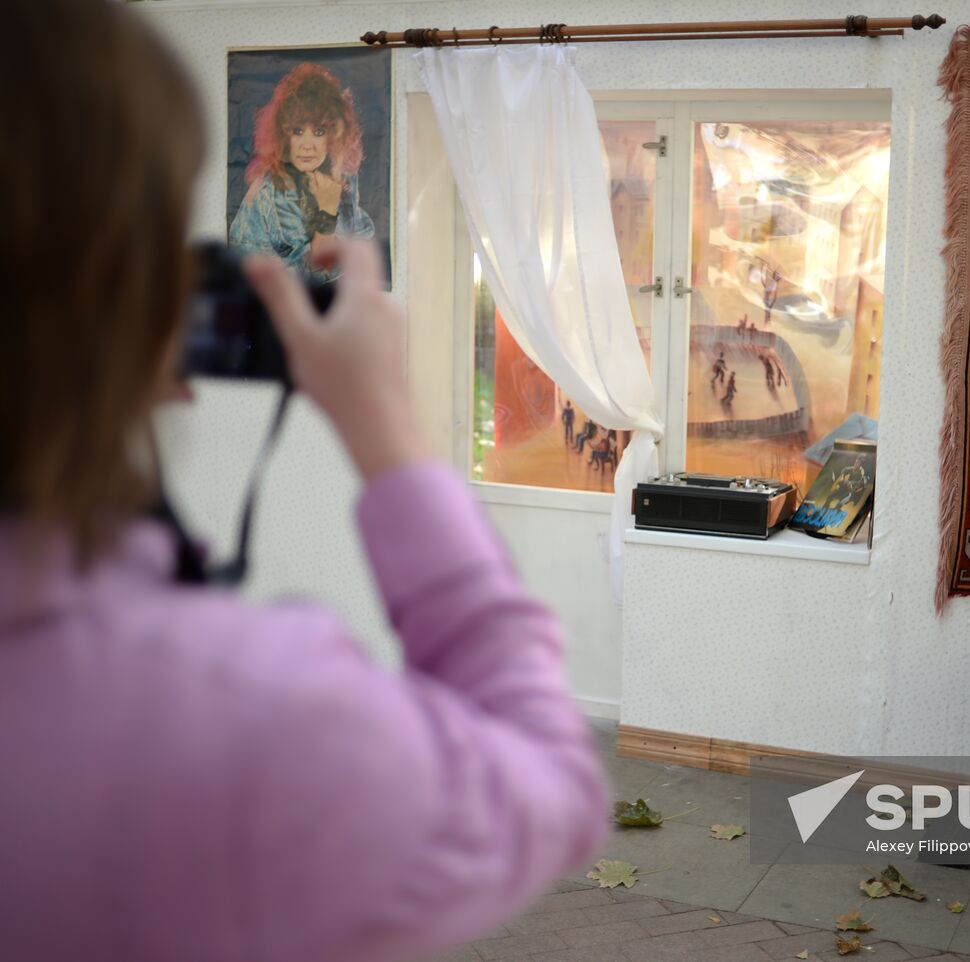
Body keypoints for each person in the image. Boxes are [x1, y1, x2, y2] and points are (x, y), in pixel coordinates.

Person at [0, 4, 608, 961]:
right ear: (133, 308)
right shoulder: (249, 719)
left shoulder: (345, 202)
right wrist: (391, 435)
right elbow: (549, 789)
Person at [229, 61, 376, 281]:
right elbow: (308, 279)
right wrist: (326, 217)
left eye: (318, 131)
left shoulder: (341, 179)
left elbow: (362, 236)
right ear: (284, 134)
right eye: (298, 131)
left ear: (333, 134)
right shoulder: (267, 193)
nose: (308, 145)